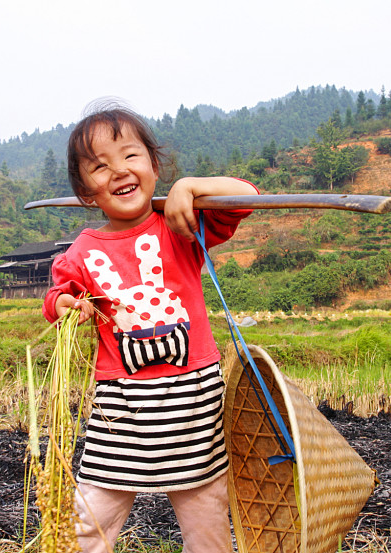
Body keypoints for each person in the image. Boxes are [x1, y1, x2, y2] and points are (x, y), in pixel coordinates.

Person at [42, 100, 258, 553]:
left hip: (193, 401)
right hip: (121, 409)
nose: (119, 171)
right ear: (86, 191)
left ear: (154, 167)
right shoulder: (83, 249)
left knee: (207, 521)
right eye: (100, 166)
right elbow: (58, 294)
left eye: (130, 156)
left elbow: (246, 196)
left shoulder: (180, 225)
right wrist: (67, 304)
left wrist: (191, 187)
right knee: (89, 521)